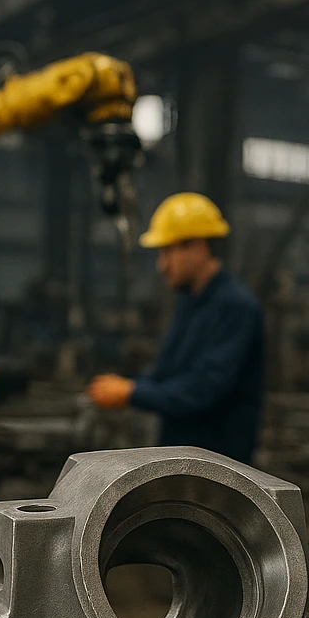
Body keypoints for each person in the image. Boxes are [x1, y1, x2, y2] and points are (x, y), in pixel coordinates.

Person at [88, 192, 263, 463]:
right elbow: (168, 373)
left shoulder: (236, 307)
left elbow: (202, 390)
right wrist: (130, 386)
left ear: (198, 247)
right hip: (187, 461)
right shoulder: (192, 303)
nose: (161, 265)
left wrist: (131, 393)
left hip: (220, 470)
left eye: (167, 251)